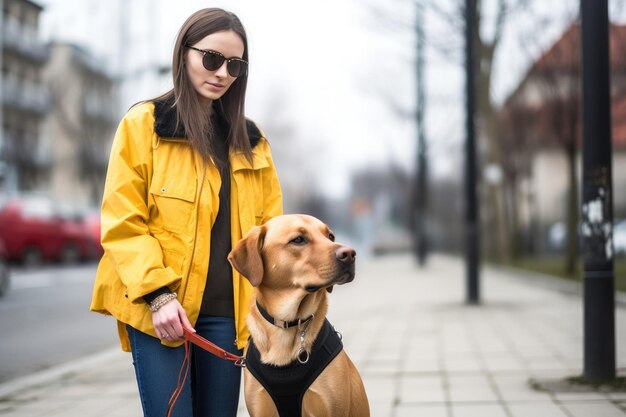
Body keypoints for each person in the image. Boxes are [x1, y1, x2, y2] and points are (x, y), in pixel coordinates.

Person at [90, 8, 283, 417]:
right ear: (184, 53)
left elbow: (271, 236)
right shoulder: (145, 125)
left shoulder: (252, 142)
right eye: (211, 58)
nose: (222, 73)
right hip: (160, 311)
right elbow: (123, 224)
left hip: (230, 320)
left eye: (235, 65)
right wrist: (159, 298)